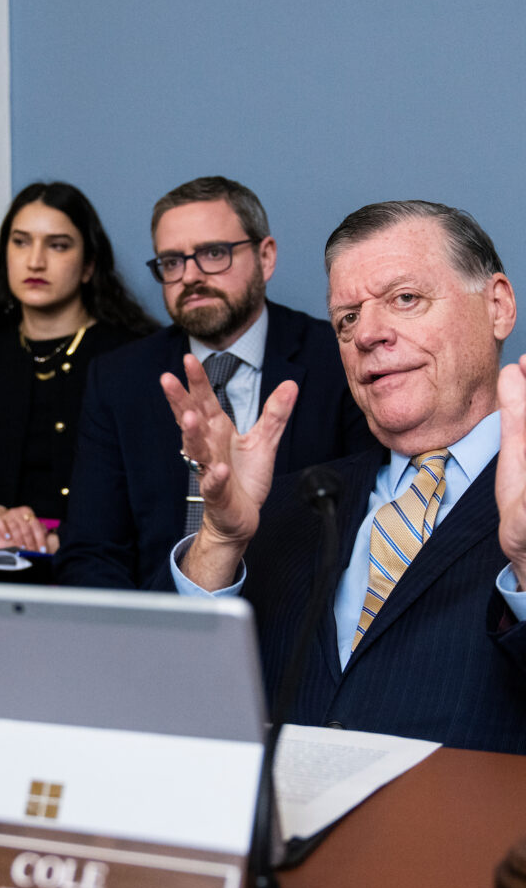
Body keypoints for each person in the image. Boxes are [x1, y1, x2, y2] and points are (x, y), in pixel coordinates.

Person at [164, 200, 526, 771]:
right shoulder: (292, 500)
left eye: (405, 299)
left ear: (497, 307)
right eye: (346, 318)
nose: (368, 334)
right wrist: (219, 543)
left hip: (467, 850)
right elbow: (167, 712)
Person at [54, 176, 371, 587]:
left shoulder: (336, 361)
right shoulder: (118, 379)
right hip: (157, 625)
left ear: (266, 257)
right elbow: (91, 550)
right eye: (171, 262)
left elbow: (364, 531)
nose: (189, 276)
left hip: (296, 632)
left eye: (214, 254)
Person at [0, 182, 156, 552]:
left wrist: (59, 541)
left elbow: (145, 493)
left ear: (88, 266)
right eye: (20, 242)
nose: (35, 261)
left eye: (58, 245)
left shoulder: (130, 353)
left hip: (96, 554)